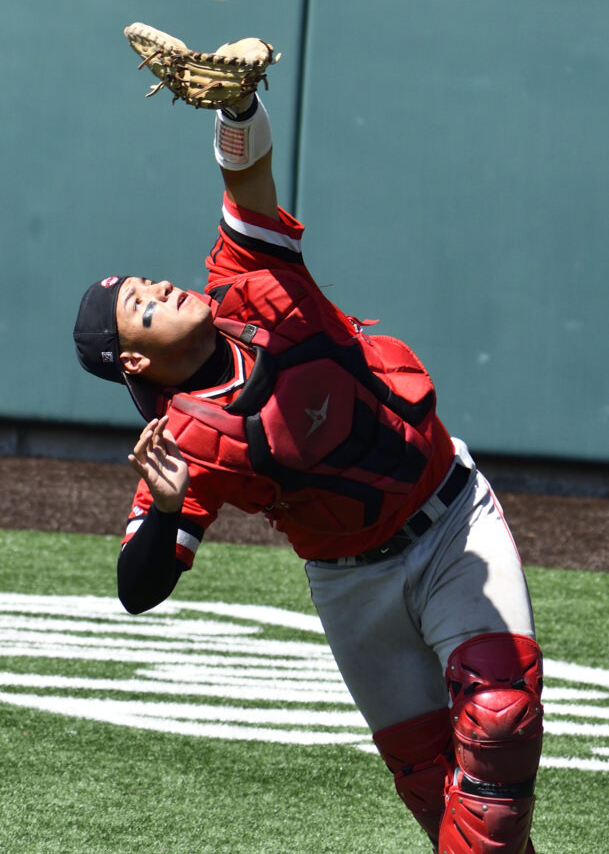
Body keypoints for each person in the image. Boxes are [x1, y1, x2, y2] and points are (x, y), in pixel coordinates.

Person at [73, 60, 543, 853]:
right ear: (136, 362)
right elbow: (136, 589)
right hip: (353, 584)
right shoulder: (184, 441)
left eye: (150, 282)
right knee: (441, 801)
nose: (162, 290)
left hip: (453, 522)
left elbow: (246, 175)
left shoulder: (249, 279)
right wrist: (165, 507)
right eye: (142, 307)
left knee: (499, 720)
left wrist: (238, 107)